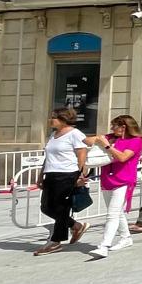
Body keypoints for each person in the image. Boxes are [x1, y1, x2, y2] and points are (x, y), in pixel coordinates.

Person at [34, 107, 92, 255]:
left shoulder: (75, 134)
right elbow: (48, 157)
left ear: (63, 119)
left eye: (53, 117)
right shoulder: (53, 135)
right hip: (51, 174)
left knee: (61, 208)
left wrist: (80, 175)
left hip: (68, 174)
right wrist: (41, 176)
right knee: (46, 207)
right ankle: (76, 225)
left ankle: (56, 241)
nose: (50, 120)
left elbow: (82, 156)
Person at [89, 115, 142, 257]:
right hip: (107, 178)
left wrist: (107, 145)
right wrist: (96, 139)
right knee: (116, 212)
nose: (112, 128)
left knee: (112, 214)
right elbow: (88, 141)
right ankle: (126, 238)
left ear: (123, 127)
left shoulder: (136, 141)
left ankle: (104, 245)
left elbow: (122, 157)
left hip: (124, 180)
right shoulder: (111, 137)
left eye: (114, 126)